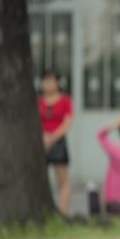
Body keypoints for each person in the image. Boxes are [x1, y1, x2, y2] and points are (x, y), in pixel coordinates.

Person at [37, 70, 73, 215]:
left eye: (51, 81)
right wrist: (42, 137)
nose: (48, 84)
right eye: (45, 81)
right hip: (40, 141)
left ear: (57, 83)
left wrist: (52, 137)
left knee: (62, 180)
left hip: (57, 141)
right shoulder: (38, 101)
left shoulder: (65, 100)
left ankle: (62, 212)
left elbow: (67, 122)